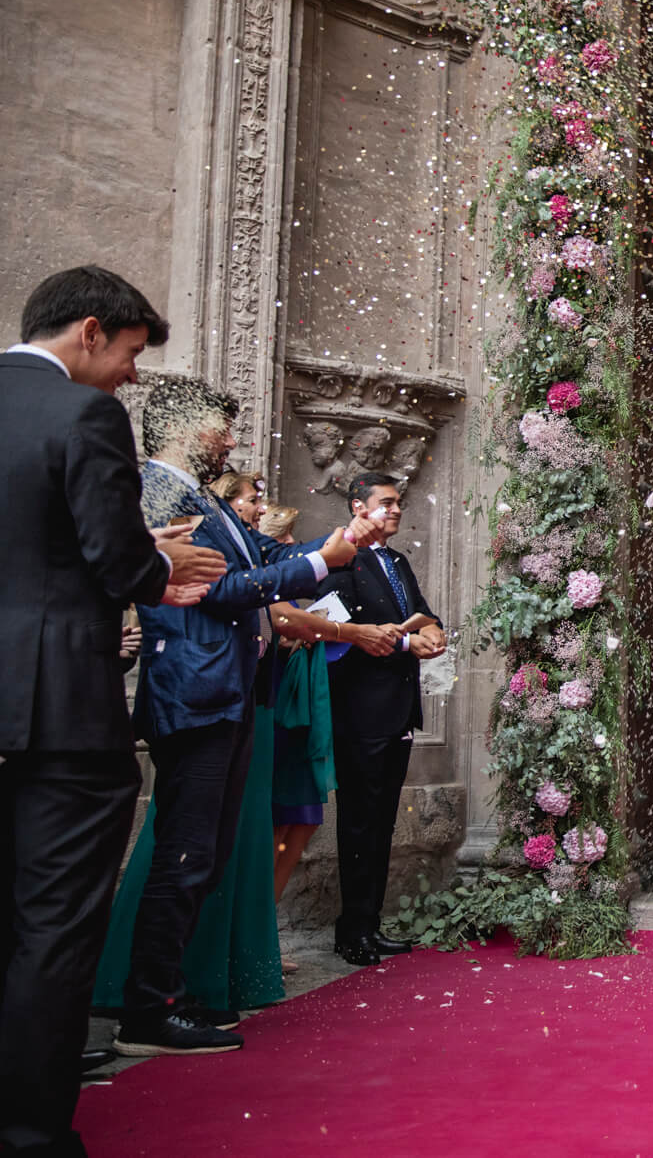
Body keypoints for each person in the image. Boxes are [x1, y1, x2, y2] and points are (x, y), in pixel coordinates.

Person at [1, 266, 226, 1157]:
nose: (133, 377)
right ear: (89, 331)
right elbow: (111, 558)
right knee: (51, 927)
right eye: (132, 354)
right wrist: (156, 563)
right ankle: (28, 1132)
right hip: (58, 707)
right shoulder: (84, 415)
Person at [115, 380, 354, 1056]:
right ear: (188, 426)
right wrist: (317, 562)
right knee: (185, 853)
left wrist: (324, 549)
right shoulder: (158, 490)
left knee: (206, 854)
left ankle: (168, 993)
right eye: (222, 427)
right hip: (193, 693)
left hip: (222, 692)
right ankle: (147, 1008)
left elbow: (256, 560)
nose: (230, 440)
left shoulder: (198, 498)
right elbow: (215, 589)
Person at [319, 472, 446, 967]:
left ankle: (370, 924)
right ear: (358, 507)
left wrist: (433, 634)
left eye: (399, 504)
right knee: (359, 820)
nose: (396, 511)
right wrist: (401, 642)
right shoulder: (340, 558)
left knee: (383, 820)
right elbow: (332, 625)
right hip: (359, 707)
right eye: (386, 503)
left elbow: (422, 613)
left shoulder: (397, 561)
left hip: (399, 707)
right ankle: (352, 931)